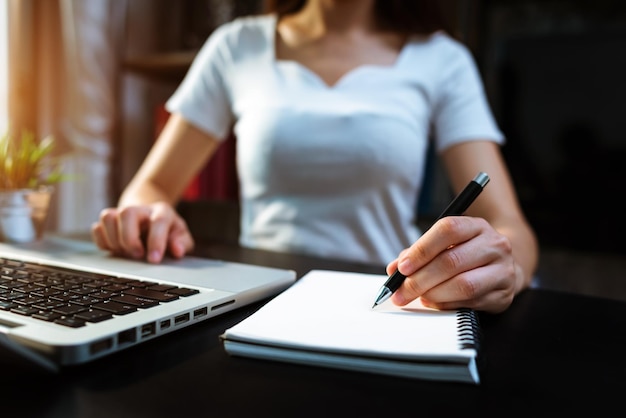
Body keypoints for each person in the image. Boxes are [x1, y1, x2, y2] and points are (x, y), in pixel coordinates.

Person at [91, 0, 538, 314]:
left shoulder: (441, 58)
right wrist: (147, 215)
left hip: (390, 302)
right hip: (259, 300)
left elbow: (510, 226)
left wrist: (505, 270)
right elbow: (150, 187)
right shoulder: (236, 46)